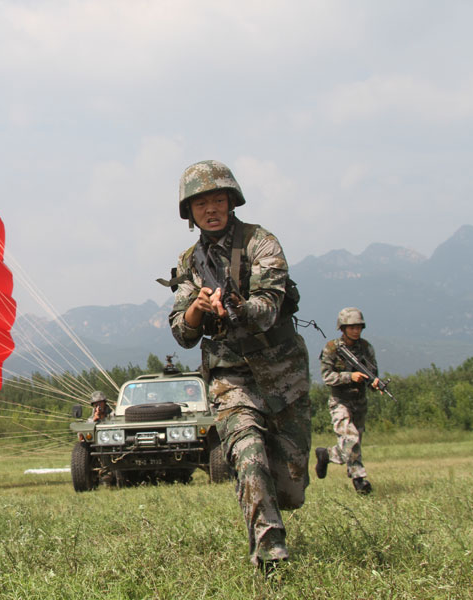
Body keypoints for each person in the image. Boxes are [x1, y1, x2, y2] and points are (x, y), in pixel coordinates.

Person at [165, 160, 311, 572]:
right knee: (249, 456)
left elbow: (268, 307)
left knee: (290, 489)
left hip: (283, 377)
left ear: (231, 202)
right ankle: (270, 553)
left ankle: (276, 497)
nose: (210, 209)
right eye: (200, 204)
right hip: (231, 378)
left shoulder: (261, 243)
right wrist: (197, 308)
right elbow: (182, 332)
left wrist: (235, 306)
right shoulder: (189, 262)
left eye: (217, 200)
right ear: (189, 212)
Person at [315, 307, 380, 494]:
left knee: (353, 444)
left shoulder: (366, 348)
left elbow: (372, 373)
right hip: (340, 401)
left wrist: (374, 383)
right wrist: (349, 377)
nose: (355, 331)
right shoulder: (332, 348)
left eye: (358, 327)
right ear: (342, 328)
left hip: (359, 402)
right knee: (351, 440)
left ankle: (326, 454)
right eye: (351, 327)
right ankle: (360, 481)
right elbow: (327, 377)